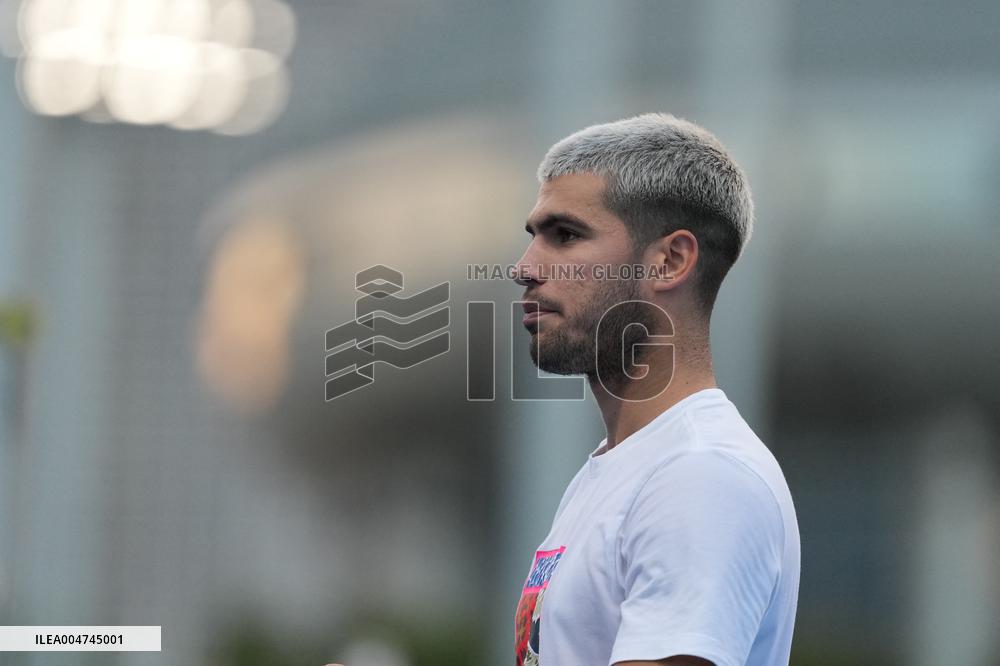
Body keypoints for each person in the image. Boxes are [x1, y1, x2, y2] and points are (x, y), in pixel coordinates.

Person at [512, 113, 800, 666]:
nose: (524, 267)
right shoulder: (625, 466)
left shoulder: (700, 475)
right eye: (533, 237)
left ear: (669, 261)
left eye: (565, 235)